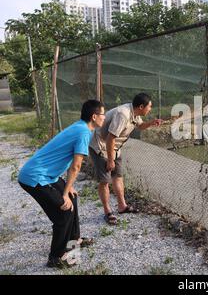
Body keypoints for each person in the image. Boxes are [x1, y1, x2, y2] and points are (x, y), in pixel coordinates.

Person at [18, 99, 106, 268]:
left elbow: (68, 162)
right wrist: (63, 194)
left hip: (48, 175)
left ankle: (75, 240)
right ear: (94, 116)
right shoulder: (83, 132)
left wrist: (68, 188)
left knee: (72, 198)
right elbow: (76, 166)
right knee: (63, 213)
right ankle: (56, 257)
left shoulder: (81, 127)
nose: (105, 117)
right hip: (35, 177)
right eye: (103, 114)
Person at [89, 93, 162, 225]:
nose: (150, 109)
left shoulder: (135, 113)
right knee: (105, 180)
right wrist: (110, 160)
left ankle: (122, 206)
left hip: (114, 148)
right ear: (141, 106)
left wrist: (151, 123)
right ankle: (107, 212)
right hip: (101, 146)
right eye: (149, 106)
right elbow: (110, 137)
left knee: (118, 176)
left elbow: (139, 126)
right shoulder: (123, 114)